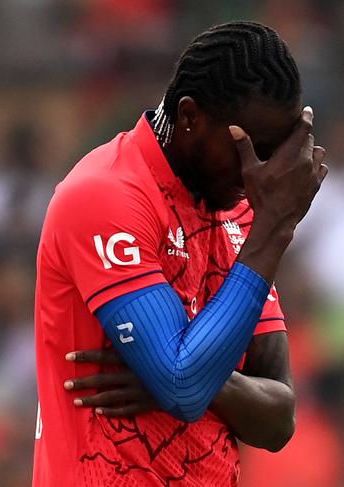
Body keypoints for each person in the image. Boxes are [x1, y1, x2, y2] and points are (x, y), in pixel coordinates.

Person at [33, 21, 328, 486]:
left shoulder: (241, 210)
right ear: (191, 117)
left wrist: (196, 380)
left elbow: (277, 420)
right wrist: (274, 226)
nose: (264, 173)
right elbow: (183, 385)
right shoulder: (105, 197)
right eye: (252, 148)